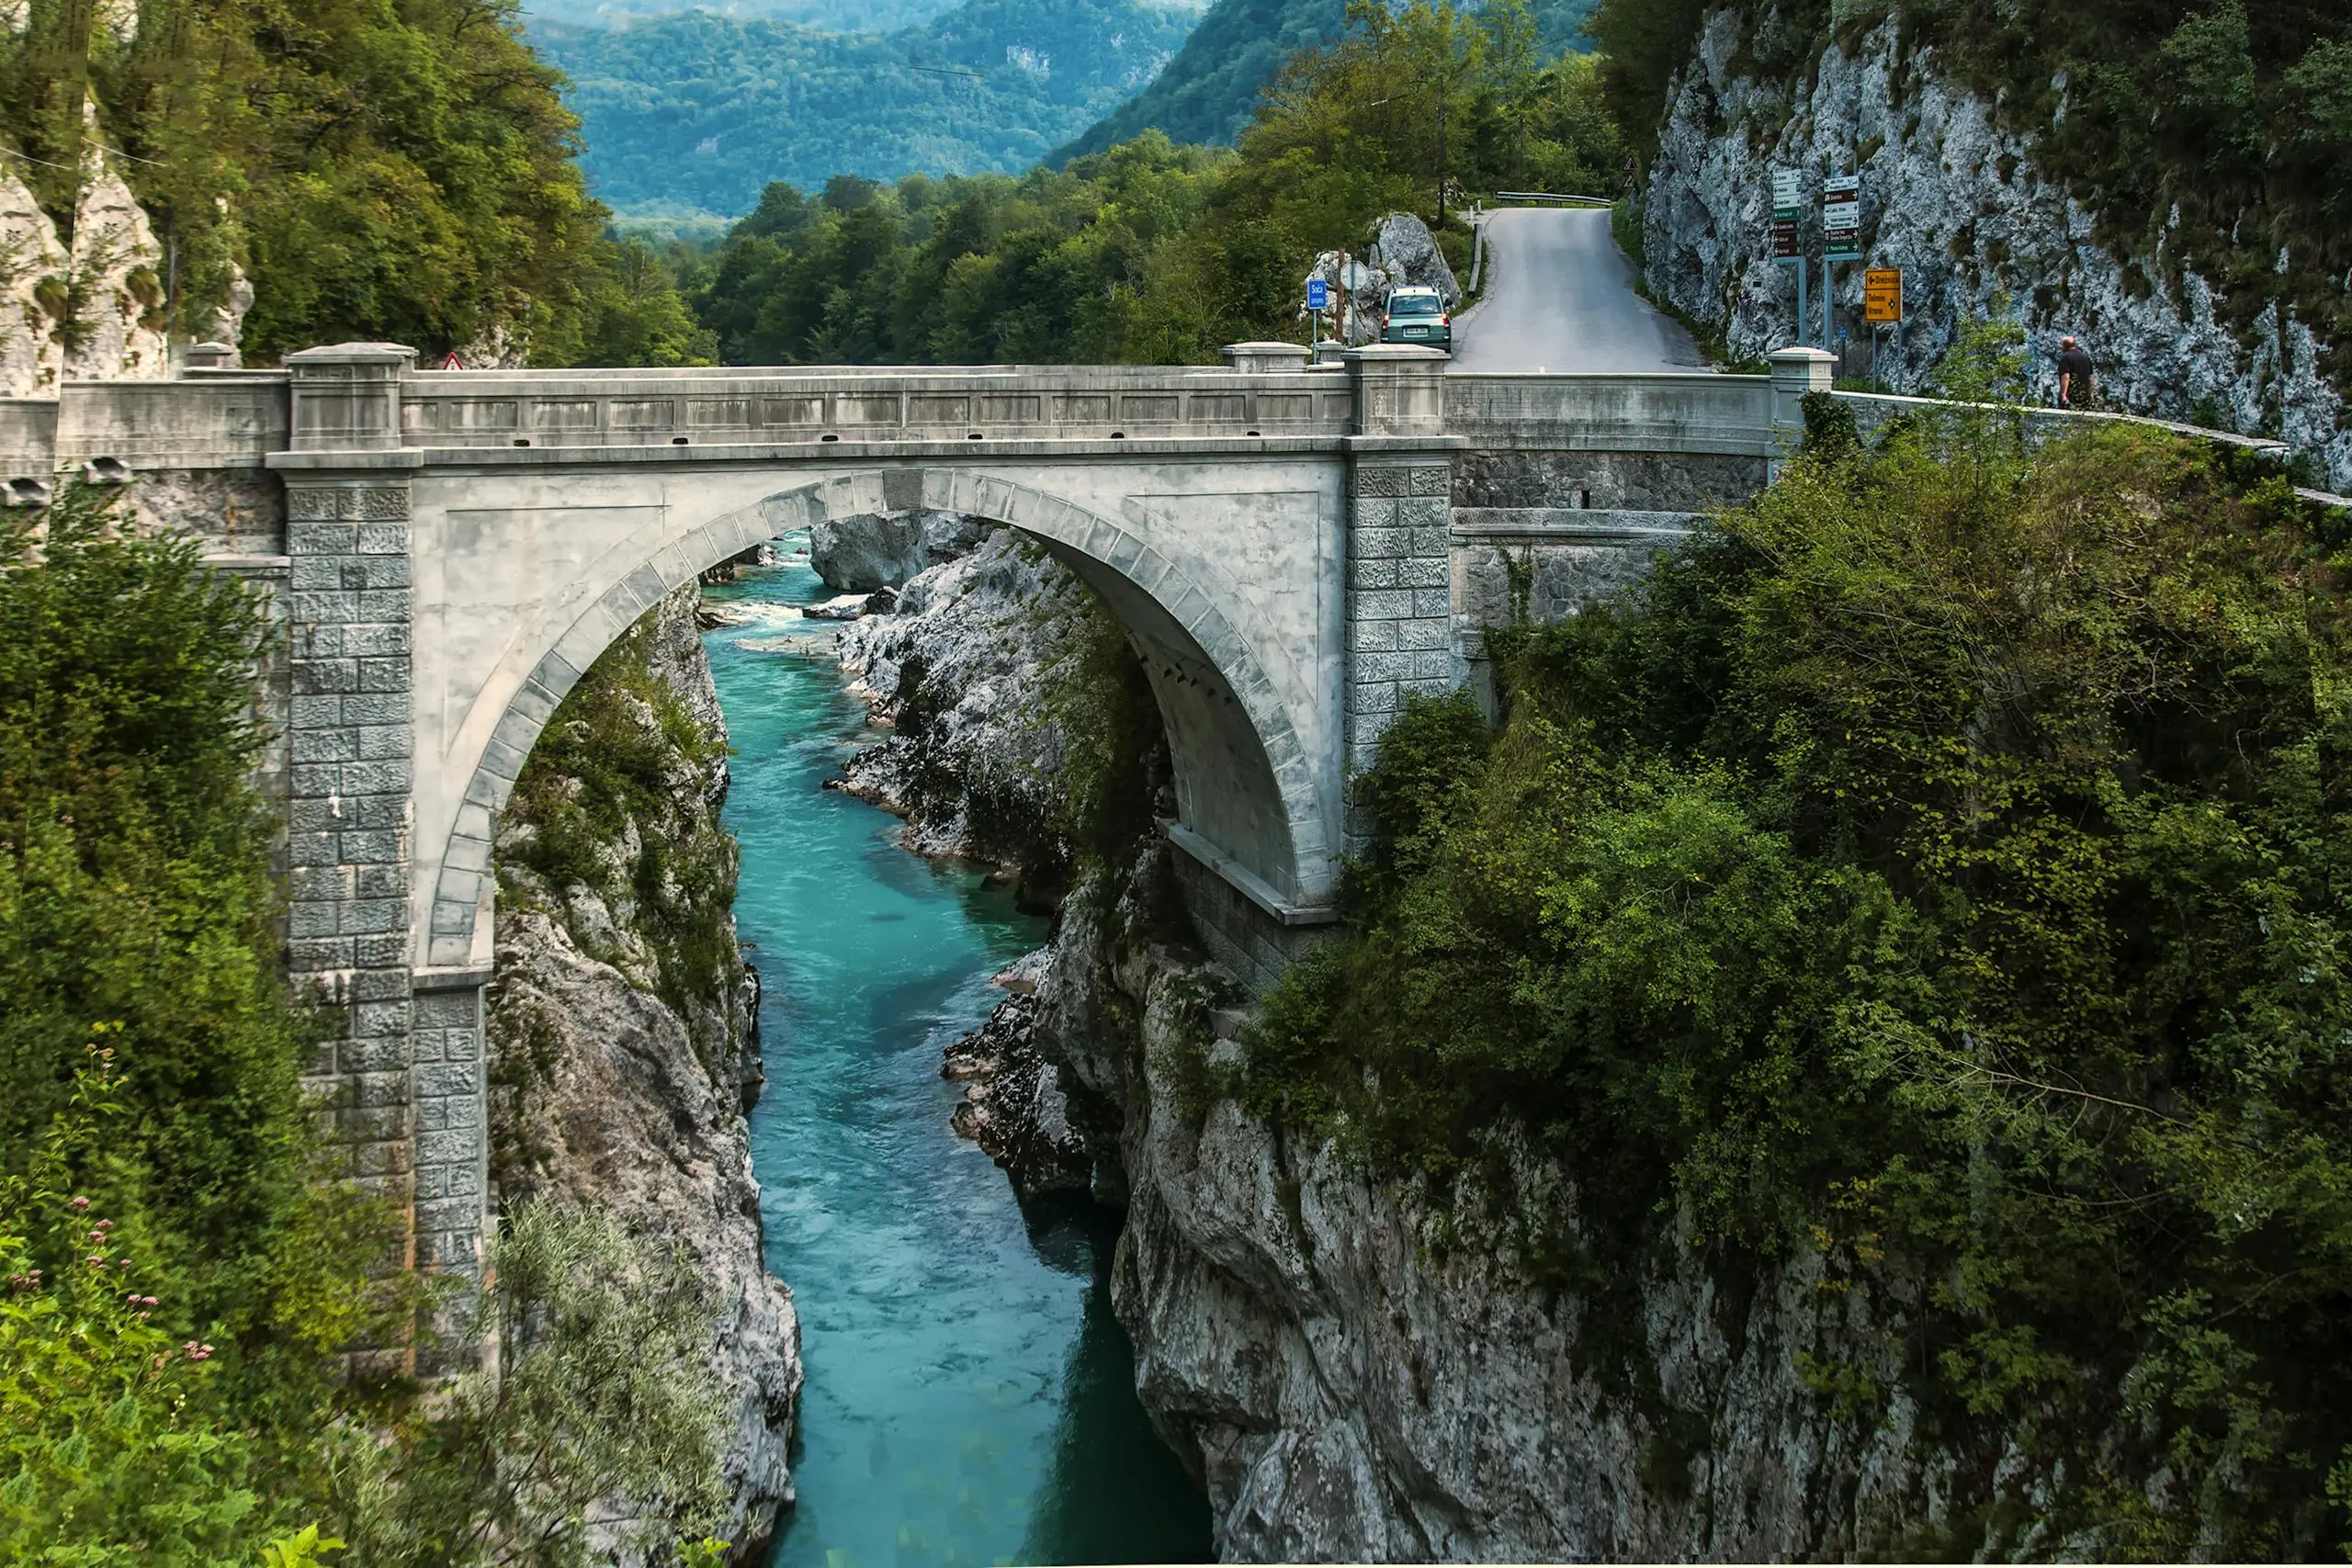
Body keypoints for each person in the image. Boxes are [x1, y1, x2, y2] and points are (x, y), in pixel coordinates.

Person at [2056, 335, 2095, 410]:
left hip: (2071, 395)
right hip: (2084, 395)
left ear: (2064, 346)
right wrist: (2091, 394)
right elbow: (2091, 378)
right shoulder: (2085, 357)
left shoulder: (2065, 358)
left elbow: (2066, 377)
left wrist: (2063, 395)